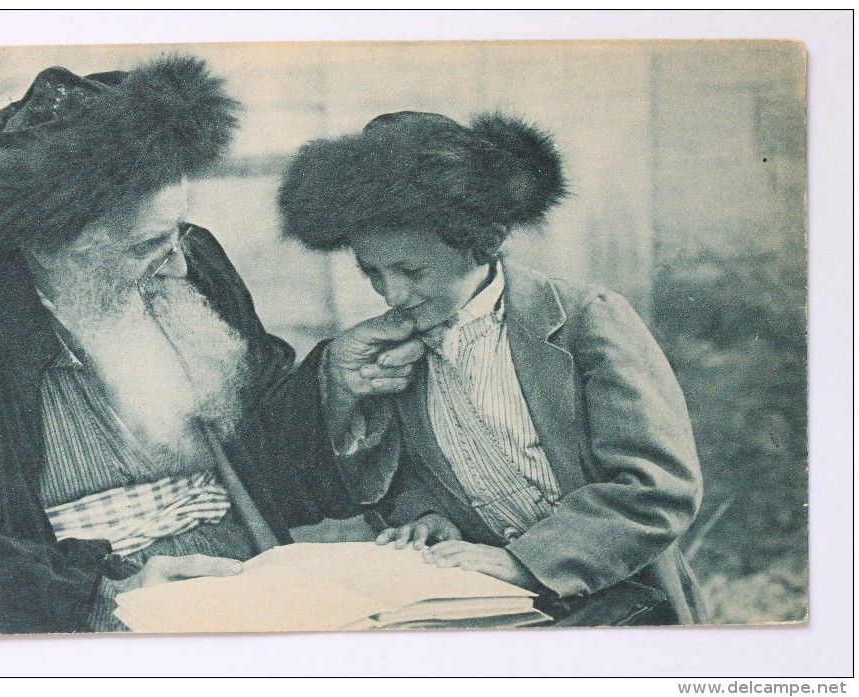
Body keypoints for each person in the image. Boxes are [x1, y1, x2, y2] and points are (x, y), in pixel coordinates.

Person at [0, 57, 422, 634]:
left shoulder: (193, 259)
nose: (178, 263)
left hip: (255, 580)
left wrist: (334, 385)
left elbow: (269, 455)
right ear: (56, 241)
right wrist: (107, 591)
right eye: (147, 244)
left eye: (180, 232)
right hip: (80, 618)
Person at [277, 110, 706, 624]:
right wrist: (428, 517)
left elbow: (658, 487)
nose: (392, 294)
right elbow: (415, 475)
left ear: (480, 241)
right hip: (497, 612)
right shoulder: (399, 348)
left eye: (410, 270)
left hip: (630, 603)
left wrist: (524, 562)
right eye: (372, 272)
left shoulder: (585, 321)